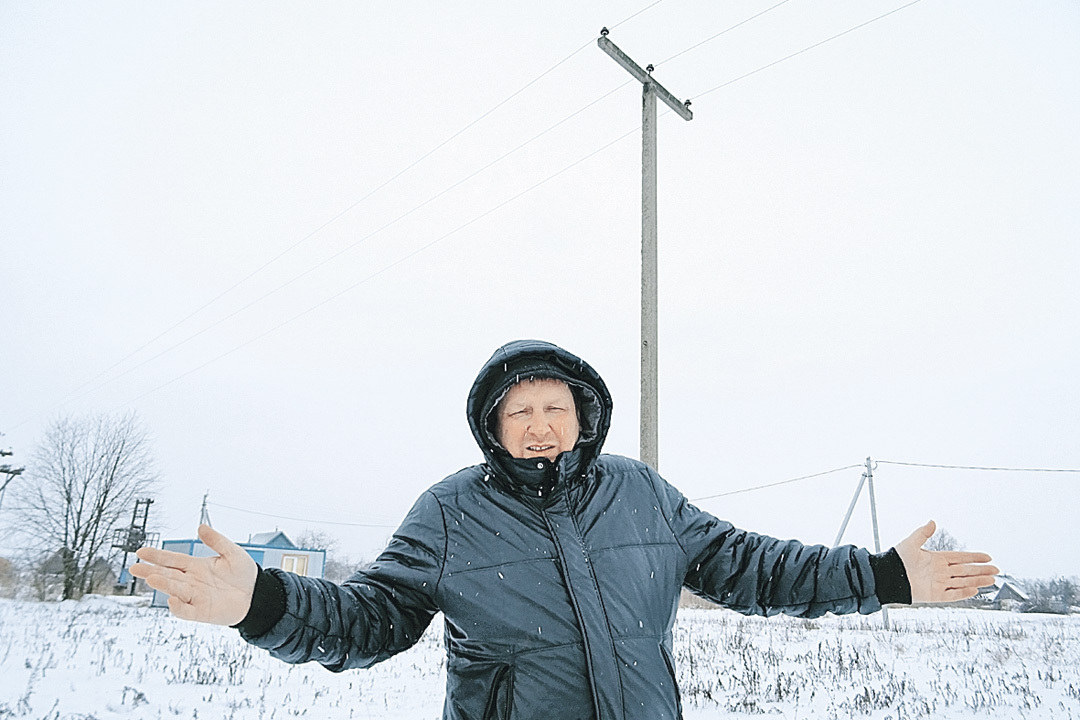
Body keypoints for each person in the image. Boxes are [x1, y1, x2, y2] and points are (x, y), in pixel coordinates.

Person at [132, 339, 998, 720]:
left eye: (555, 407)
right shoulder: (447, 510)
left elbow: (756, 569)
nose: (540, 424)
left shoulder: (643, 495)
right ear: (493, 426)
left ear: (581, 417)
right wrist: (263, 602)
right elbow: (371, 619)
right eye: (521, 411)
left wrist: (883, 577)